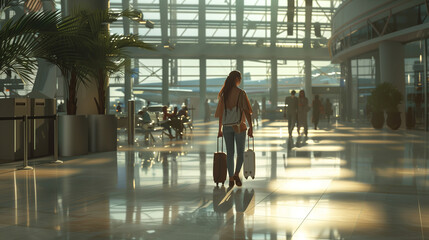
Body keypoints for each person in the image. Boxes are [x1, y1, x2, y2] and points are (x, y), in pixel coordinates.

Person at [215, 70, 253, 188]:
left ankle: (231, 177)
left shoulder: (223, 94)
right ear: (237, 79)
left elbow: (221, 113)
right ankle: (236, 174)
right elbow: (247, 111)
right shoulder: (241, 93)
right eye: (240, 79)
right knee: (240, 153)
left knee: (230, 153)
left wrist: (219, 129)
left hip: (226, 126)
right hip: (238, 126)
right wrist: (251, 127)